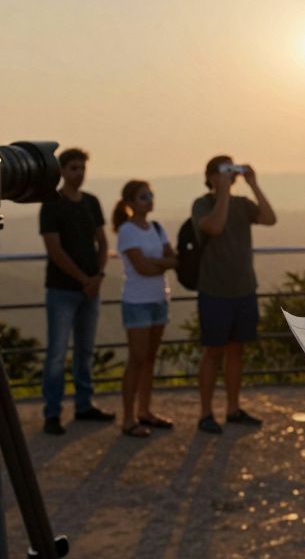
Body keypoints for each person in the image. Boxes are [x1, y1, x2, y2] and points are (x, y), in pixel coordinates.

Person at [192, 156, 277, 434]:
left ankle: (233, 408)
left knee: (236, 350)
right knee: (213, 352)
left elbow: (269, 218)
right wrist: (224, 193)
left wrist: (254, 184)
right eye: (223, 170)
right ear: (211, 177)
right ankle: (205, 413)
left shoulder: (243, 205)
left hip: (243, 289)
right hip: (214, 290)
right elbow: (214, 227)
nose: (229, 175)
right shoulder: (202, 205)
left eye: (232, 170)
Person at [38, 147, 113, 435]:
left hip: (89, 289)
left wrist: (98, 276)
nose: (79, 174)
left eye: (82, 168)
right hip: (62, 289)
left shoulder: (91, 202)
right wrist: (86, 279)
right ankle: (52, 413)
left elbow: (103, 243)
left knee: (85, 351)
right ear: (62, 171)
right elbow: (54, 249)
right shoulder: (52, 203)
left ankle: (84, 405)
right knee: (57, 353)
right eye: (74, 168)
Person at [112, 180, 176, 438]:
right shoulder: (127, 231)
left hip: (159, 299)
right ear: (130, 203)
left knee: (149, 359)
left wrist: (157, 262)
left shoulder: (157, 228)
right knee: (137, 359)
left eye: (150, 195)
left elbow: (174, 260)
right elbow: (142, 267)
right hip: (137, 302)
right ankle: (128, 418)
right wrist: (162, 263)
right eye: (143, 196)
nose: (149, 200)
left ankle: (145, 411)